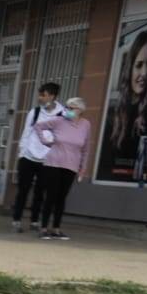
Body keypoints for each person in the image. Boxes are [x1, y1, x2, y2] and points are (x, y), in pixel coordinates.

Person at [105, 30, 147, 182]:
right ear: (129, 68)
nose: (144, 72)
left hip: (140, 178)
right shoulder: (114, 110)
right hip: (114, 176)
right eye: (139, 65)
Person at [30, 97, 92, 240]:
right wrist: (45, 141)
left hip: (71, 166)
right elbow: (38, 126)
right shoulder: (59, 121)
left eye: (72, 108)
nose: (68, 110)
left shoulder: (86, 125)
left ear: (80, 110)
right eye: (67, 107)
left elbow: (86, 148)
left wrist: (83, 168)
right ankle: (44, 228)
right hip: (54, 163)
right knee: (51, 196)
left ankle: (56, 229)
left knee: (61, 198)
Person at [12, 82, 63, 232]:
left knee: (40, 192)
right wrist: (21, 153)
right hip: (28, 157)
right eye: (39, 94)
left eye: (43, 95)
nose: (40, 98)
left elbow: (75, 118)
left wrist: (73, 110)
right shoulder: (34, 112)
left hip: (47, 159)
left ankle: (34, 221)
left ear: (52, 96)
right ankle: (16, 220)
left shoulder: (63, 113)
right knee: (23, 190)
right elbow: (26, 133)